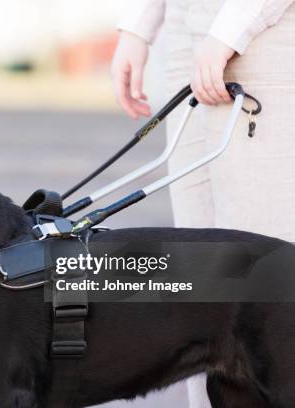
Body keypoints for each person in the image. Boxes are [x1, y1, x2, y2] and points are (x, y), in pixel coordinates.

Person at [110, 0, 295, 407]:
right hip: (187, 33)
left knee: (269, 282)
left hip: (261, 34)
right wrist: (139, 26)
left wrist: (230, 31)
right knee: (205, 295)